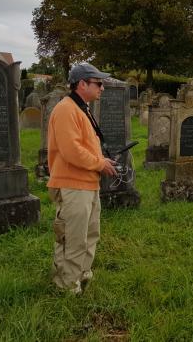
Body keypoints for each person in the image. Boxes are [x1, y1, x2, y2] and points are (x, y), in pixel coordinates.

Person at [47, 63, 117, 294]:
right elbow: (71, 150)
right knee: (73, 238)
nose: (102, 88)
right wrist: (99, 163)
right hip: (72, 185)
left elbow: (85, 144)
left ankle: (82, 274)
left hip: (87, 183)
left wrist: (101, 160)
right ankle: (67, 285)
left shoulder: (81, 109)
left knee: (90, 233)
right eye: (98, 83)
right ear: (82, 84)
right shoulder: (66, 109)